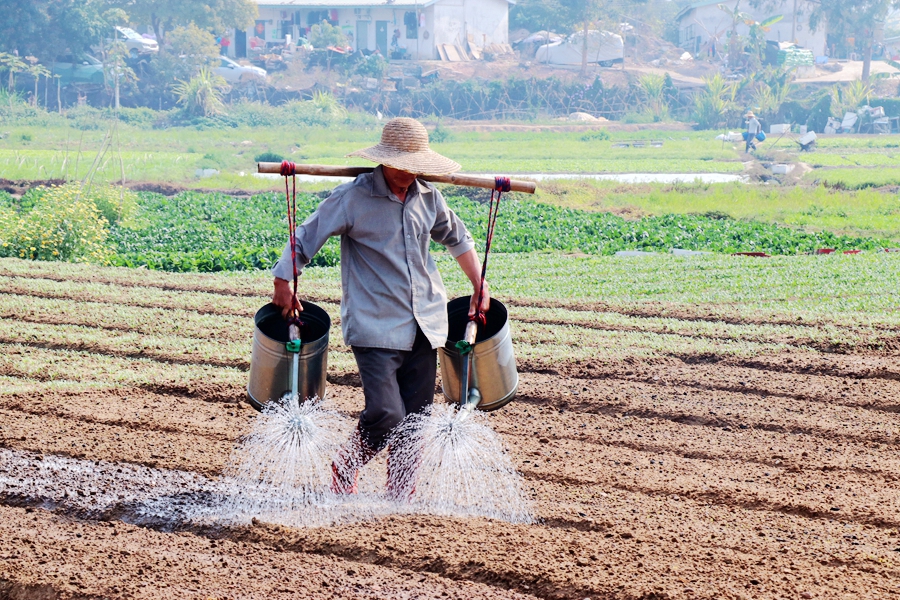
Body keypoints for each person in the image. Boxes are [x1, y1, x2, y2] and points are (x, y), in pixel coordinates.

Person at [271, 117, 490, 499]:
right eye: (400, 164)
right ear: (384, 160)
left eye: (414, 166)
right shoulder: (352, 197)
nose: (407, 173)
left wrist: (479, 283)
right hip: (375, 324)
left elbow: (457, 237)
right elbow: (306, 237)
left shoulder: (428, 197)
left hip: (425, 320)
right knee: (388, 414)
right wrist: (283, 281)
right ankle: (347, 464)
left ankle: (400, 497)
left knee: (417, 422)